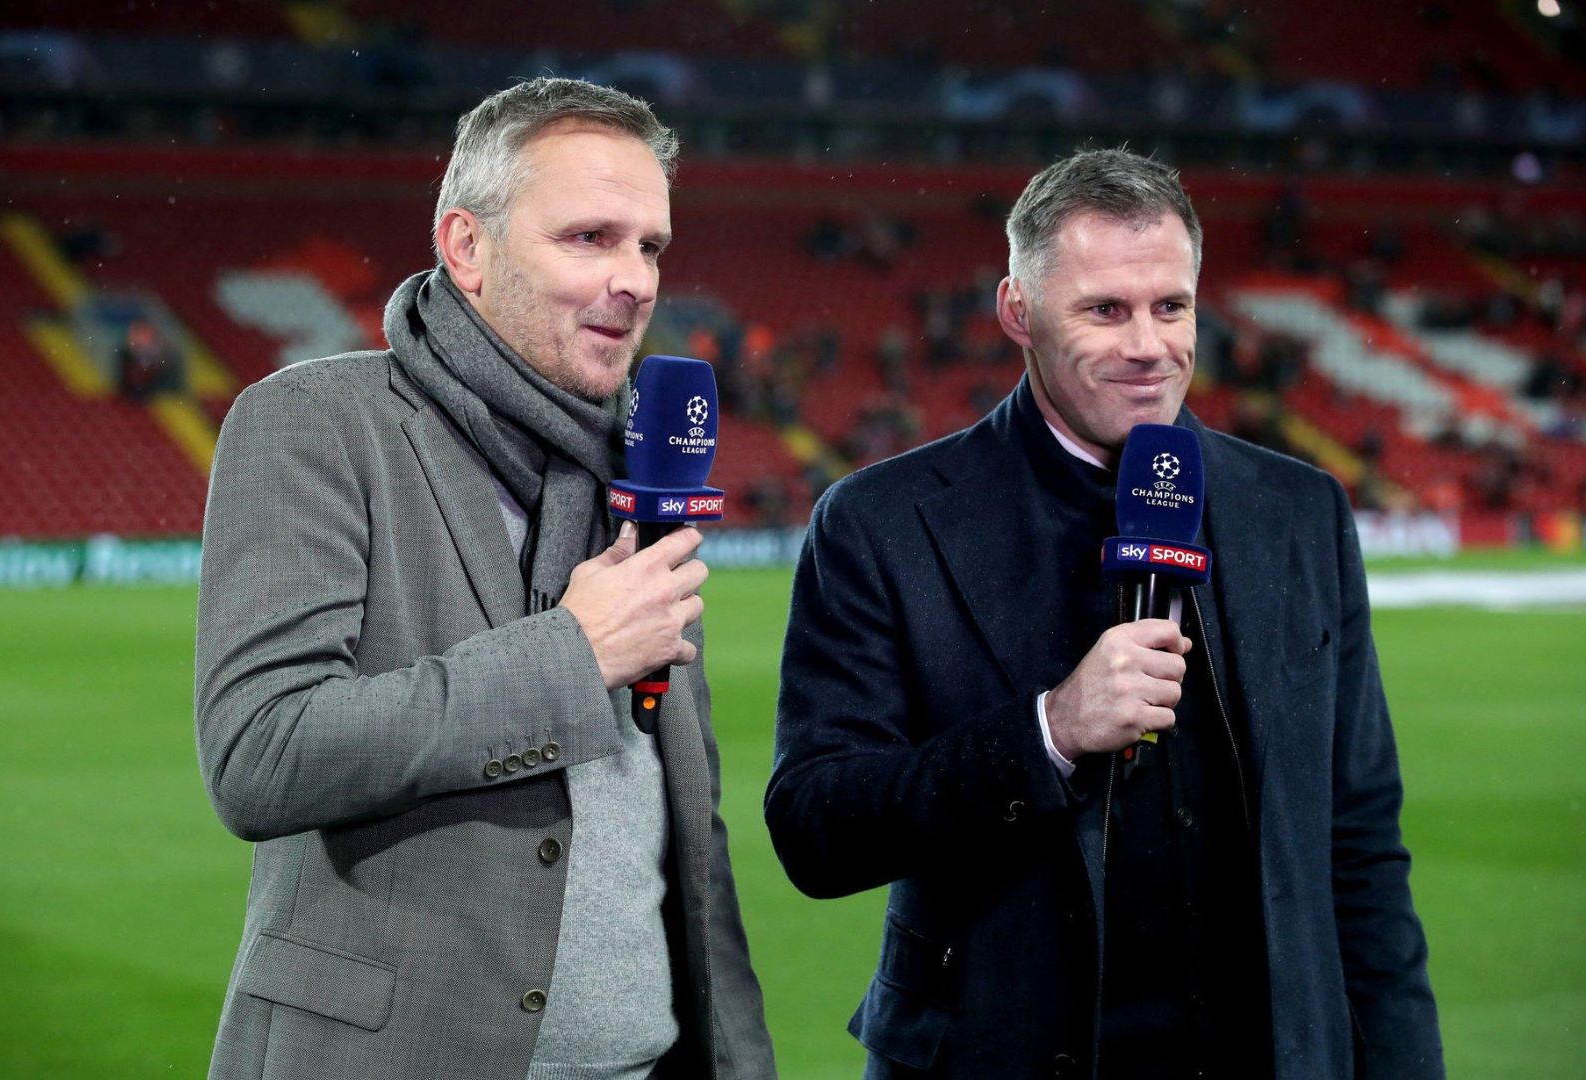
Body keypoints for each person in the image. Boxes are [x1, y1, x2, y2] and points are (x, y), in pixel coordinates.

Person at [766, 149, 1442, 1080]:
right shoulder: (883, 521)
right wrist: (1048, 731)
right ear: (1018, 311)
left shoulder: (1298, 510)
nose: (1147, 345)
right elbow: (816, 827)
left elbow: (1359, 844)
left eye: (1171, 307)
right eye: (1103, 310)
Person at [195, 78, 776, 1080]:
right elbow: (262, 753)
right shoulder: (318, 423)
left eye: (649, 245)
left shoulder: (641, 468)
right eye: (590, 237)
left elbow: (683, 827)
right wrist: (571, 654)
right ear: (466, 246)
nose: (635, 278)